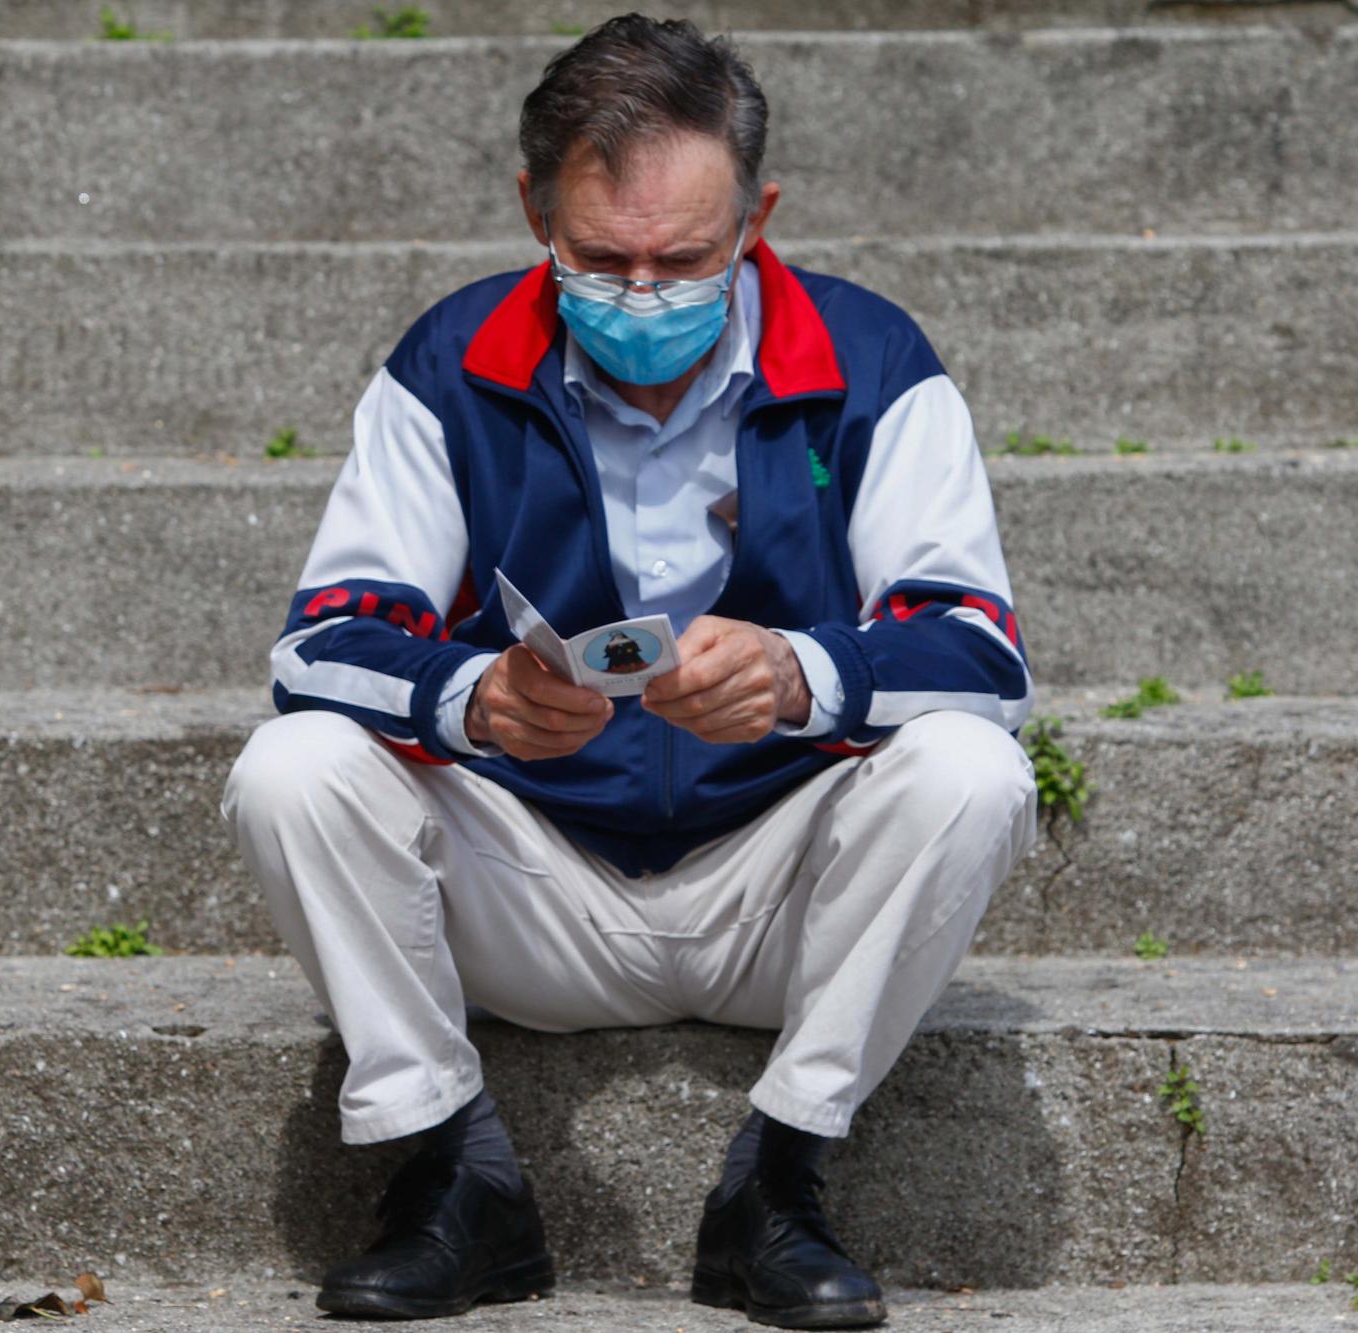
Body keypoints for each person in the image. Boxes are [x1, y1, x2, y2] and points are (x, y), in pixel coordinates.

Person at [221, 14, 1037, 1329]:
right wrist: (469, 698)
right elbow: (320, 646)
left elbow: (984, 655)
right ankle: (451, 1174)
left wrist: (800, 673)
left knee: (971, 768)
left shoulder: (874, 361)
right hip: (534, 893)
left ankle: (779, 1182)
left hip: (788, 891)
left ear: (759, 215)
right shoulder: (452, 365)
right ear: (532, 206)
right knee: (296, 767)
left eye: (688, 258)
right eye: (602, 258)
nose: (645, 293)